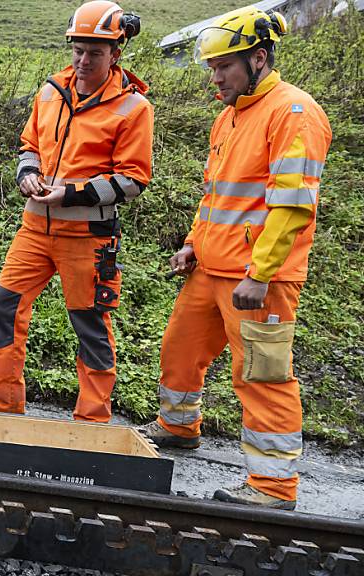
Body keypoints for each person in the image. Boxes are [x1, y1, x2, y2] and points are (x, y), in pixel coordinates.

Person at [140, 7, 330, 511]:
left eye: (223, 66)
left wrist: (261, 274)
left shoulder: (294, 113)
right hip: (211, 268)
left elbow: (292, 207)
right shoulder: (230, 116)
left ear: (259, 59)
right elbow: (216, 197)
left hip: (258, 279)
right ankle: (177, 427)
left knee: (263, 376)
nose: (215, 76)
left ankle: (272, 488)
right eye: (212, 67)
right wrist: (190, 244)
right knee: (179, 352)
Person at [0, 0, 152, 423]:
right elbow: (29, 147)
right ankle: (1, 410)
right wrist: (27, 176)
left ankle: (92, 421)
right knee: (3, 307)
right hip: (34, 230)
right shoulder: (50, 91)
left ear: (117, 52)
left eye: (95, 52)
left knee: (90, 326)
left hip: (88, 241)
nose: (83, 60)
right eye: (78, 49)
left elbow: (132, 180)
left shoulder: (133, 108)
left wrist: (69, 194)